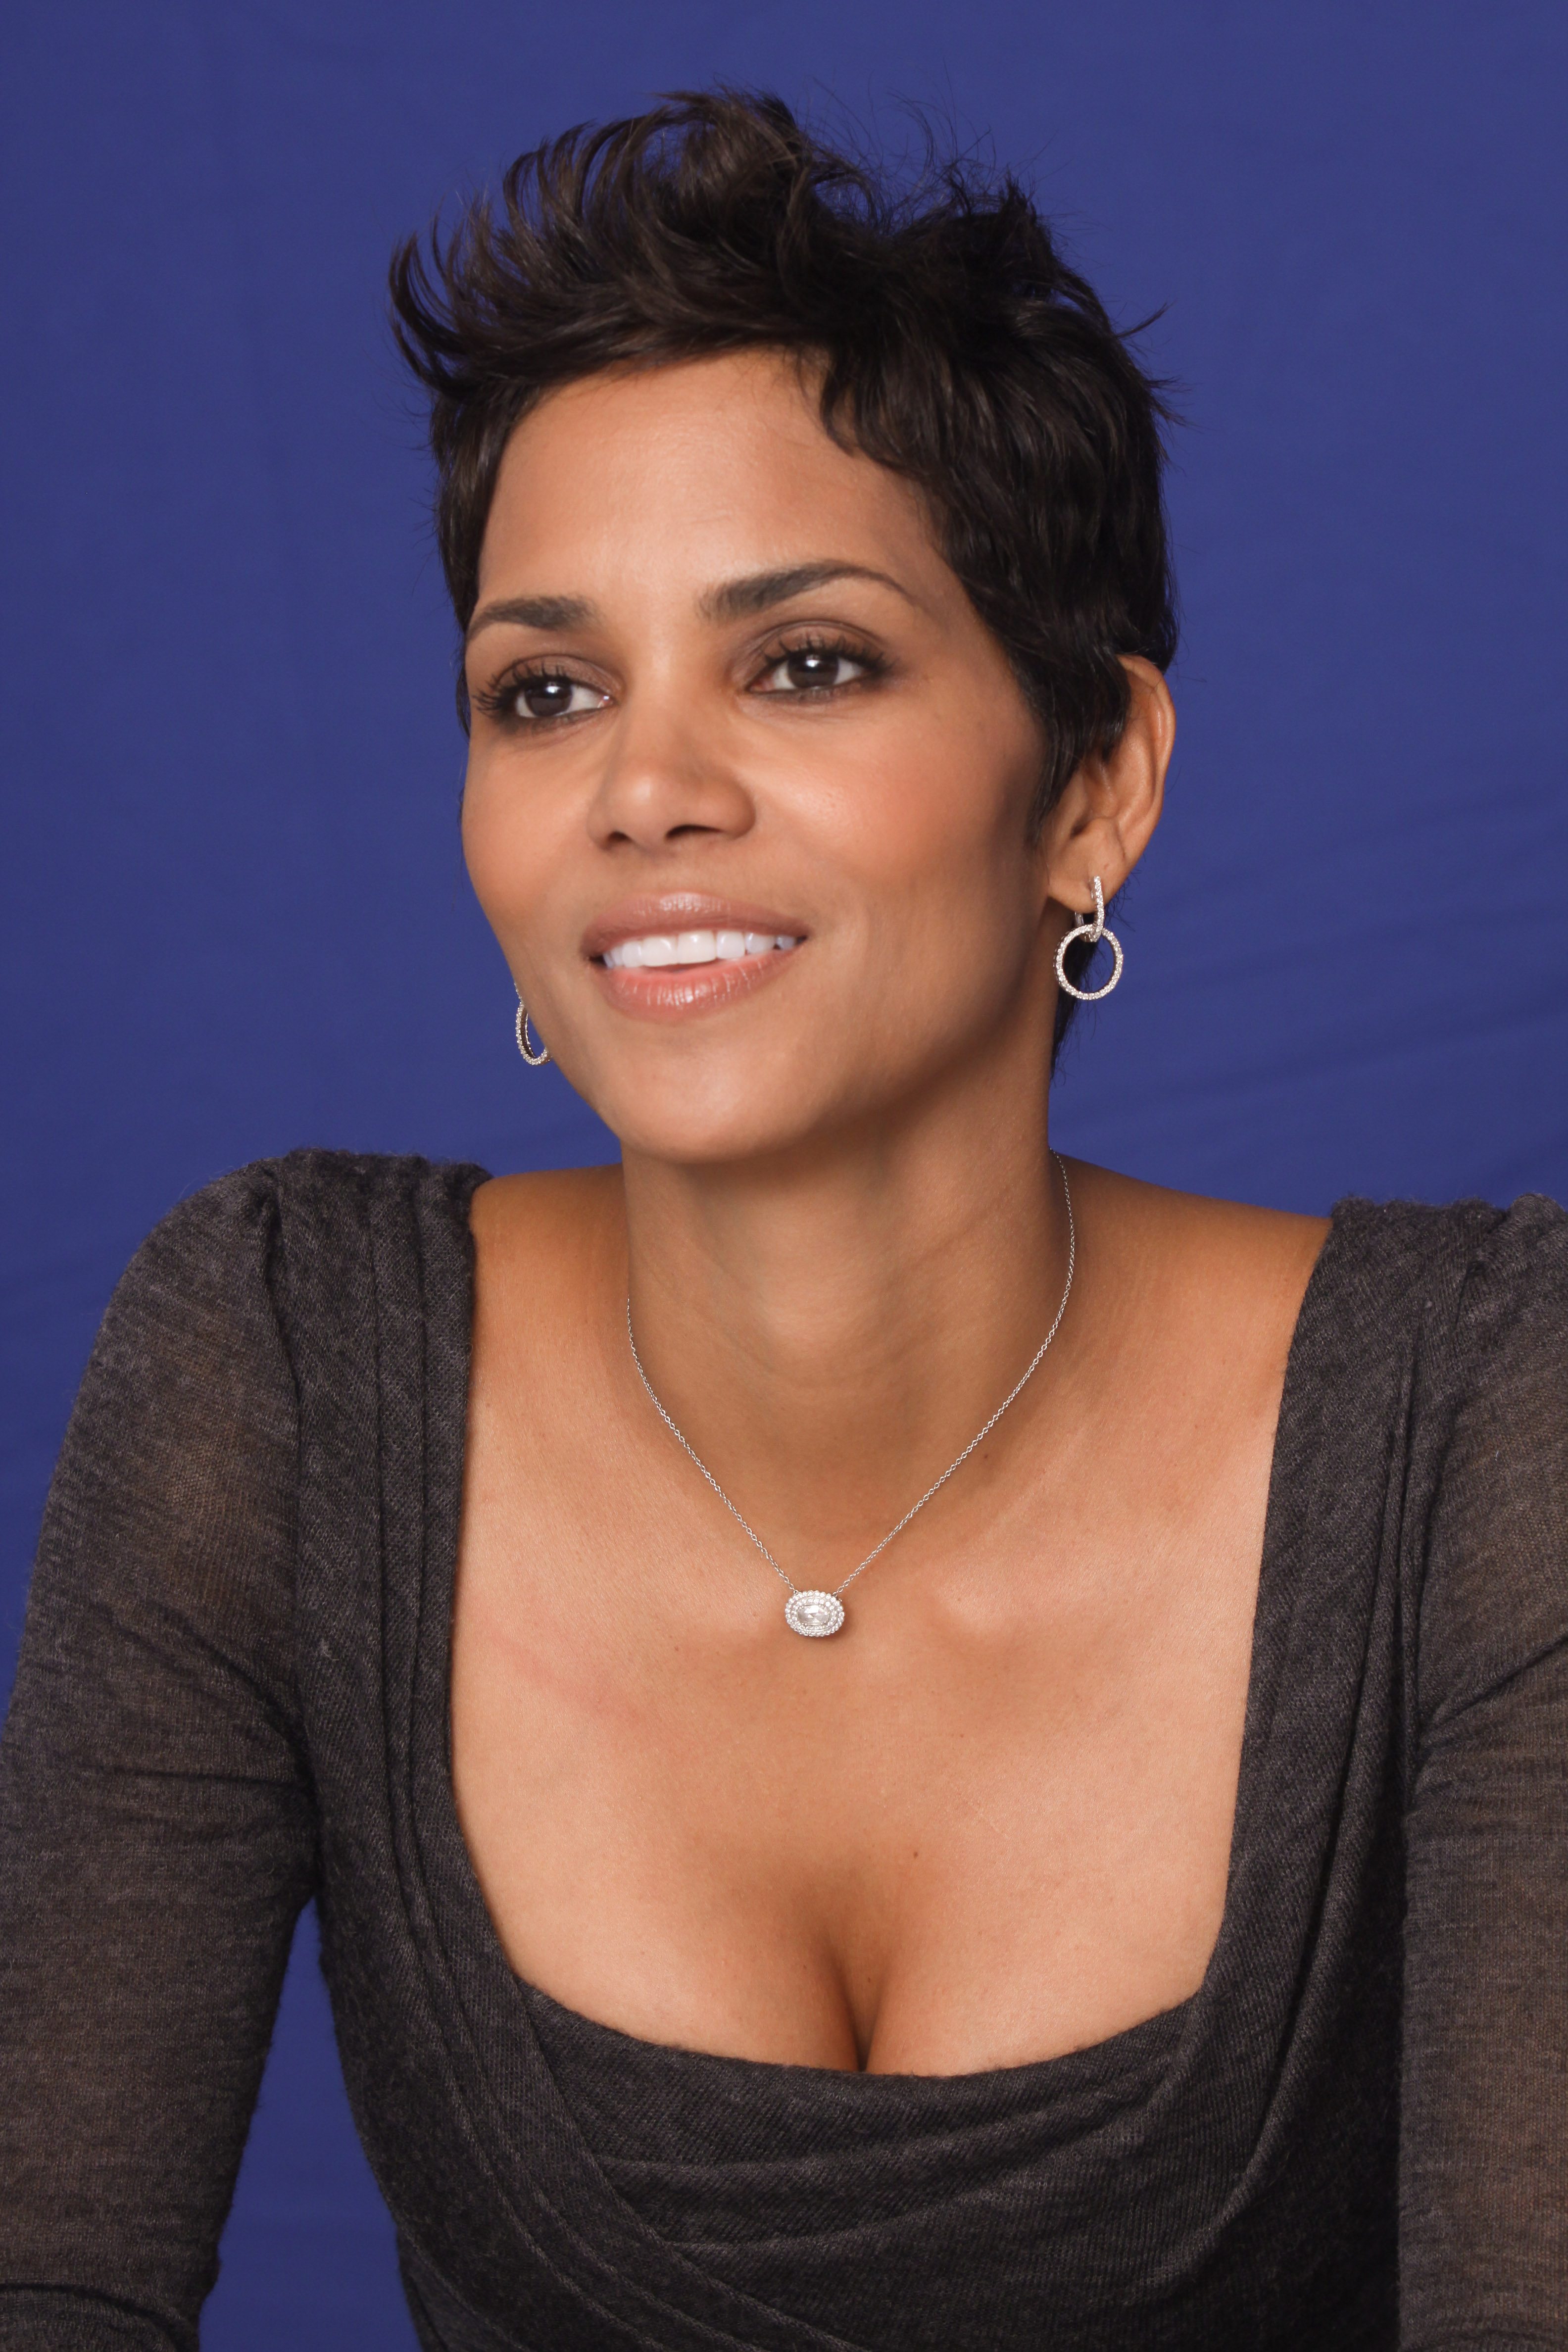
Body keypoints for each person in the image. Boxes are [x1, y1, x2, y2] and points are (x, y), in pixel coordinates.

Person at [0, 89, 1563, 2352]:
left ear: (1095, 784)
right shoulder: (285, 1366)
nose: (645, 791)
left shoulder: (1487, 1417)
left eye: (806, 661)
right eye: (547, 693)